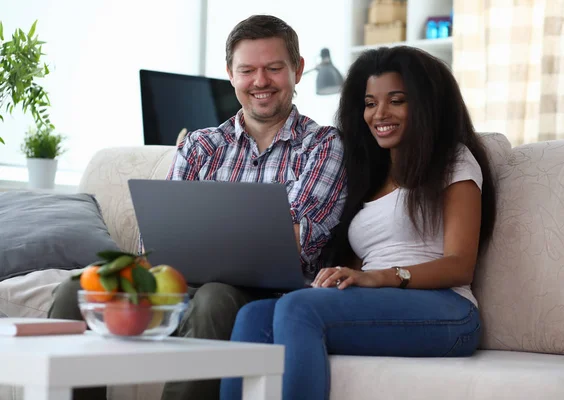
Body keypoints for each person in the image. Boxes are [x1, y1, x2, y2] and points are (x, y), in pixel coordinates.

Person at [48, 15, 346, 400]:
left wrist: (205, 241)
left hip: (267, 294)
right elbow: (156, 239)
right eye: (247, 70)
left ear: (297, 70)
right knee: (77, 290)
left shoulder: (322, 145)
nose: (260, 82)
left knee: (214, 297)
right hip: (179, 281)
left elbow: (297, 243)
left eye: (274, 68)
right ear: (230, 74)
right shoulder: (201, 144)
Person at [220, 45, 497, 400]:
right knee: (254, 315)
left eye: (396, 100)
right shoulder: (370, 174)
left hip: (447, 309)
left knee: (298, 309)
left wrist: (378, 277)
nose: (379, 113)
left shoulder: (453, 161)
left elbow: (460, 266)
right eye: (369, 103)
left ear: (427, 105)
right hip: (380, 300)